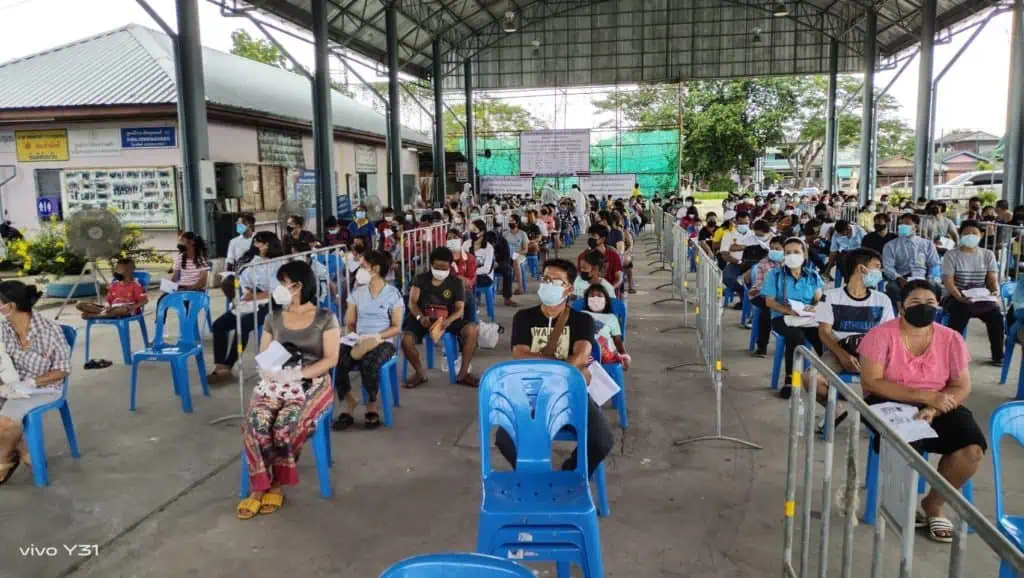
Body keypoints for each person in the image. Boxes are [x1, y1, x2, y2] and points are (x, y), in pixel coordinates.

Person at [857, 280, 986, 543]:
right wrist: (924, 396)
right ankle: (898, 504)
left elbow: (962, 385)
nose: (924, 308)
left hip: (939, 403)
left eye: (930, 303)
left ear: (938, 306)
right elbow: (872, 382)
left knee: (971, 450)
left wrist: (932, 408)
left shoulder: (951, 338)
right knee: (906, 446)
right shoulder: (881, 336)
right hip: (888, 400)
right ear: (901, 306)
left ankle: (933, 504)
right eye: (915, 303)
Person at [237, 261, 340, 519]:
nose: (279, 288)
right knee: (257, 421)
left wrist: (299, 374)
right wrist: (271, 372)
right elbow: (263, 352)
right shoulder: (274, 318)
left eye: (283, 283)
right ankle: (258, 486)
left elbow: (331, 359)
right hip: (276, 380)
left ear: (299, 286)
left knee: (286, 424)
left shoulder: (325, 318)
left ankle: (276, 483)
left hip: (311, 381)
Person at [498, 258, 615, 476]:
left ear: (569, 289)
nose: (548, 284)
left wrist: (547, 367)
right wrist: (565, 367)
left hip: (570, 393)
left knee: (602, 439)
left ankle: (569, 475)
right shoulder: (524, 317)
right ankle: (535, 476)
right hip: (531, 393)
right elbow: (520, 354)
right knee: (505, 438)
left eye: (556, 281)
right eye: (545, 279)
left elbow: (581, 355)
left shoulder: (582, 321)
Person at [0, 282, 72, 484]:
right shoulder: (4, 328)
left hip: (45, 389)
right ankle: (23, 450)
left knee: (4, 423)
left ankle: (4, 459)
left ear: (10, 306)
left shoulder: (49, 331)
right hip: (12, 386)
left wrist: (31, 382)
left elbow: (62, 370)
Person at [812, 248, 894, 411]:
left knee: (892, 384)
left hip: (872, 354)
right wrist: (843, 355)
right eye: (877, 267)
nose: (880, 272)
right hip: (838, 350)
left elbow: (887, 335)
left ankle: (876, 418)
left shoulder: (882, 300)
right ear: (862, 269)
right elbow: (824, 332)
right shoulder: (829, 296)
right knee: (810, 380)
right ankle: (837, 409)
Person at [333, 250, 402, 431]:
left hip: (383, 340)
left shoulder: (392, 294)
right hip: (359, 338)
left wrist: (377, 337)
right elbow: (350, 322)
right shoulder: (357, 293)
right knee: (336, 359)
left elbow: (396, 326)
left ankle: (371, 404)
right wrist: (348, 330)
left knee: (369, 362)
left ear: (376, 268)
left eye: (363, 266)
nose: (359, 270)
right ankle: (349, 402)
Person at [208, 232, 284, 384]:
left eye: (261, 243)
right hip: (250, 300)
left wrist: (254, 296)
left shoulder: (278, 264)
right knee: (219, 325)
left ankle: (229, 365)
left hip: (271, 303)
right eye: (256, 243)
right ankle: (220, 364)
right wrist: (248, 293)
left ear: (270, 245)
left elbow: (275, 291)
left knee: (242, 326)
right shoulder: (251, 261)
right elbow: (245, 282)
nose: (257, 246)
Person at [401, 247, 479, 388]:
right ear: (431, 265)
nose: (441, 271)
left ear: (450, 266)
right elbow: (412, 303)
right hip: (422, 318)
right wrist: (420, 317)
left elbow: (459, 309)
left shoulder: (456, 283)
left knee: (472, 330)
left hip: (446, 319)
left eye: (445, 267)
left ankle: (463, 373)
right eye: (437, 267)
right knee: (406, 340)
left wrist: (448, 321)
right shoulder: (420, 279)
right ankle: (420, 373)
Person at [761, 237, 824, 398]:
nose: (792, 255)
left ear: (805, 255)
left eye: (796, 252)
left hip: (807, 317)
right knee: (796, 337)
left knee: (823, 337)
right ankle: (791, 379)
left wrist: (814, 307)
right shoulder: (775, 275)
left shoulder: (812, 275)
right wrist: (789, 311)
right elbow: (769, 302)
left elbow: (818, 297)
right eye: (788, 252)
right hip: (782, 317)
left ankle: (828, 381)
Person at [941, 220, 1003, 365]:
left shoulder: (988, 254)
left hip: (980, 297)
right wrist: (959, 297)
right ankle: (949, 354)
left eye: (974, 233)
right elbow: (949, 282)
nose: (970, 236)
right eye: (966, 233)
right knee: (961, 310)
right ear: (960, 235)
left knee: (996, 315)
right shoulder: (951, 255)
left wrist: (995, 291)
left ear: (981, 235)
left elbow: (992, 280)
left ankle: (998, 355)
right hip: (955, 296)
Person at [882, 213, 941, 309]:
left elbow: (934, 264)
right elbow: (888, 267)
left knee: (936, 288)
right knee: (892, 288)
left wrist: (930, 278)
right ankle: (902, 310)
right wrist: (899, 278)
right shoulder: (890, 245)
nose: (903, 226)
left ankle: (929, 313)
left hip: (922, 277)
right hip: (901, 278)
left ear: (916, 227)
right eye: (901, 224)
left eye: (907, 224)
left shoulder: (927, 244)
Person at [744, 235, 785, 357]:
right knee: (767, 311)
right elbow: (761, 286)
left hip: (781, 297)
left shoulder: (790, 264)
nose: (774, 251)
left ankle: (791, 346)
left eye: (777, 248)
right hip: (760, 294)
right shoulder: (764, 263)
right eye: (772, 248)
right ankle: (762, 347)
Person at [77, 258, 147, 320]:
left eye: (118, 269)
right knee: (80, 305)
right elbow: (109, 300)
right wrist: (107, 305)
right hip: (111, 309)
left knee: (120, 310)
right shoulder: (114, 285)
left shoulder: (135, 285)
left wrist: (134, 306)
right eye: (116, 269)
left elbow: (145, 300)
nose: (115, 272)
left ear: (128, 271)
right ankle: (103, 314)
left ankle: (94, 315)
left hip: (127, 310)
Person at [582, 284, 629, 368]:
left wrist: (624, 355)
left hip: (605, 354)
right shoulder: (581, 314)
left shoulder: (611, 318)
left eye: (599, 296)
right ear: (587, 300)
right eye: (591, 296)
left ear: (606, 300)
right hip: (585, 351)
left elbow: (617, 340)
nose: (595, 299)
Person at [719, 211, 754, 309]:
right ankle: (743, 293)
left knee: (757, 277)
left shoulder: (753, 234)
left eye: (746, 223)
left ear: (749, 222)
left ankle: (748, 301)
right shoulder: (728, 234)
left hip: (751, 263)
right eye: (741, 223)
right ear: (736, 222)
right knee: (727, 277)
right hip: (735, 263)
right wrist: (738, 261)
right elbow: (724, 254)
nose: (743, 225)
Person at [578, 224, 623, 295]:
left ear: (603, 239)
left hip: (609, 296)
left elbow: (618, 278)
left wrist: (609, 289)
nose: (590, 238)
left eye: (594, 236)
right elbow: (579, 278)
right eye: (590, 236)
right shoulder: (583, 256)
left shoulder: (613, 256)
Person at [503, 216, 529, 295]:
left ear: (517, 223)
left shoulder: (522, 234)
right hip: (507, 254)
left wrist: (515, 253)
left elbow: (525, 250)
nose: (510, 222)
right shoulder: (505, 234)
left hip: (519, 254)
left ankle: (520, 287)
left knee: (516, 261)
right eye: (509, 221)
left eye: (512, 221)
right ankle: (503, 287)